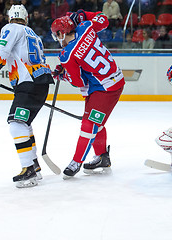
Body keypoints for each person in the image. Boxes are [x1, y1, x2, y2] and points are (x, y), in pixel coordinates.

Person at [0, 5, 54, 188]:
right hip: (40, 84)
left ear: (9, 18)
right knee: (24, 123)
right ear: (26, 18)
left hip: (29, 83)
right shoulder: (34, 34)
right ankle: (34, 165)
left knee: (16, 123)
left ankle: (28, 169)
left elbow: (0, 52)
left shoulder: (11, 28)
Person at [50, 10, 125, 179]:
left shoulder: (66, 55)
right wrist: (85, 14)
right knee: (96, 123)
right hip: (108, 82)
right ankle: (102, 157)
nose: (57, 39)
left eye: (57, 35)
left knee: (89, 125)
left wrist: (63, 75)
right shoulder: (85, 27)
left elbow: (79, 82)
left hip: (105, 88)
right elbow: (103, 19)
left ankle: (76, 161)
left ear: (62, 33)